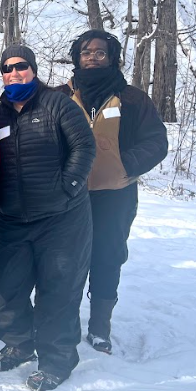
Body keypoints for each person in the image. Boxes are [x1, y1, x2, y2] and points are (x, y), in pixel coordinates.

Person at [0, 45, 96, 391]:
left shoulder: (57, 104)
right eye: (7, 68)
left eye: (21, 67)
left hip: (61, 219)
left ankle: (57, 360)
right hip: (13, 218)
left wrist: (69, 186)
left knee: (57, 291)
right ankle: (19, 343)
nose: (14, 73)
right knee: (10, 287)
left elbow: (85, 146)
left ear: (33, 70)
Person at [56, 30, 167, 354]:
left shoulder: (132, 98)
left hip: (115, 196)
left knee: (108, 256)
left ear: (112, 57)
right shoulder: (60, 96)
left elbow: (156, 141)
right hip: (70, 196)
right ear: (76, 57)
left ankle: (100, 327)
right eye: (86, 52)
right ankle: (66, 323)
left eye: (100, 52)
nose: (92, 56)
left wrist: (125, 164)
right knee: (68, 259)